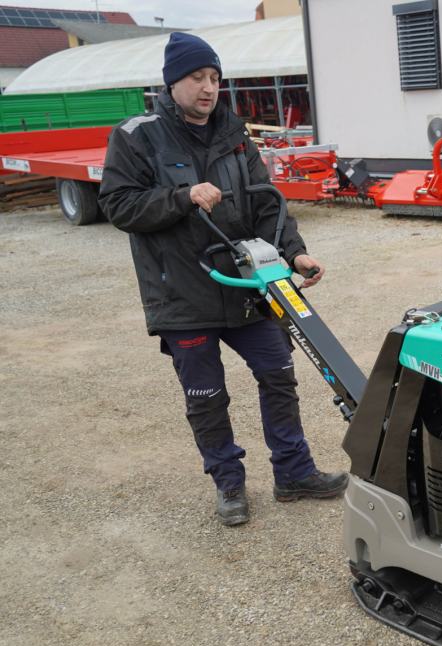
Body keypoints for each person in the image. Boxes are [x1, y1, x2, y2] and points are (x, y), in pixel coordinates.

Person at [98, 32, 347, 526]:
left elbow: (265, 203)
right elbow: (118, 205)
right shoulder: (136, 135)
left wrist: (294, 254)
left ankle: (294, 472)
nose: (209, 88)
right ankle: (228, 483)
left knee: (279, 374)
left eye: (214, 77)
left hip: (246, 286)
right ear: (173, 82)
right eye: (197, 78)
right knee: (207, 397)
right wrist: (182, 197)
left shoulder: (234, 134)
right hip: (182, 293)